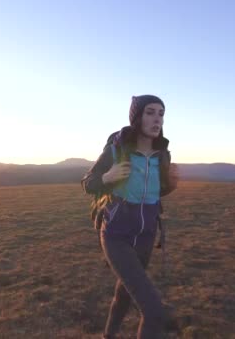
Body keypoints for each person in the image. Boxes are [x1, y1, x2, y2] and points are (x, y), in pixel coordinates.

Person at [81, 95, 178, 339]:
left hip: (146, 236)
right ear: (137, 117)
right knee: (155, 312)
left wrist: (172, 184)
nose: (157, 118)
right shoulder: (117, 151)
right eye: (150, 112)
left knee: (124, 294)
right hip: (116, 235)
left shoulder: (162, 154)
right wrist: (106, 178)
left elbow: (159, 191)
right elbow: (88, 183)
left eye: (161, 113)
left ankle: (107, 336)